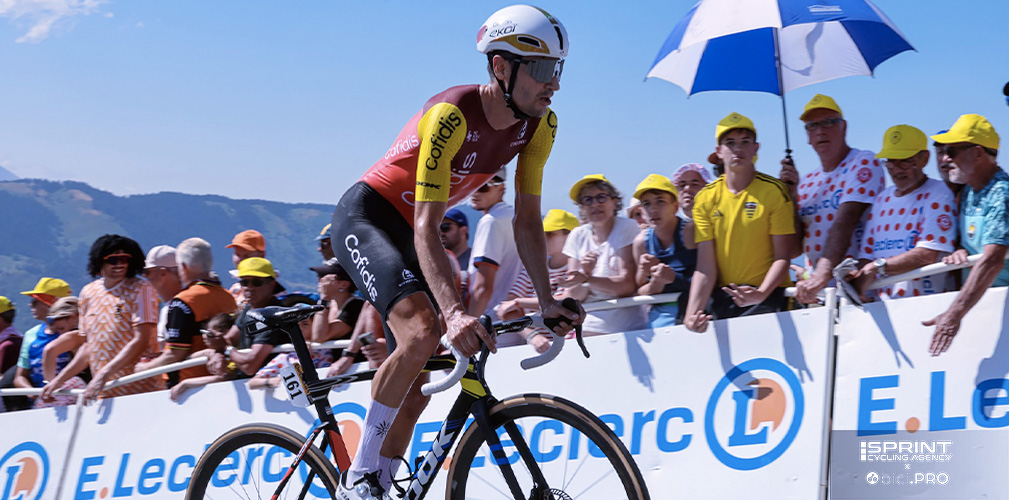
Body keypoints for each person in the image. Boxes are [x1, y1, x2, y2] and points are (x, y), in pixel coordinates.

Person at [328, 6, 579, 497]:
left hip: (411, 234)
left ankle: (381, 482)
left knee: (429, 373)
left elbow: (528, 220)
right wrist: (454, 313)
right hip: (369, 219)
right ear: (502, 67)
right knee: (424, 330)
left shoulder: (540, 126)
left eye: (559, 70)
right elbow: (427, 225)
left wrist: (548, 302)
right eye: (544, 69)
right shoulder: (451, 115)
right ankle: (358, 476)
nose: (553, 84)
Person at [684, 113, 795, 332]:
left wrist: (761, 293)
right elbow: (705, 267)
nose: (738, 149)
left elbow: (783, 257)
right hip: (723, 300)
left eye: (745, 142)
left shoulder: (774, 191)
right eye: (730, 143)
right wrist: (691, 313)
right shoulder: (705, 198)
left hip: (768, 299)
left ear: (756, 148)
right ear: (719, 152)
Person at [780, 94, 884, 304]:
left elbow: (845, 222)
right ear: (807, 136)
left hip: (858, 288)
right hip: (818, 294)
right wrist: (790, 197)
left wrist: (821, 276)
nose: (820, 130)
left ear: (844, 127)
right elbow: (794, 249)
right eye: (812, 126)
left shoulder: (863, 162)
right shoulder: (807, 181)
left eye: (829, 122)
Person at [924, 115, 1007, 356]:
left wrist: (954, 314)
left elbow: (992, 260)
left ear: (979, 153)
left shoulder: (1002, 193)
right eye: (943, 150)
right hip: (982, 306)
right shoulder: (970, 190)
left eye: (953, 150)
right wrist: (959, 248)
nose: (945, 158)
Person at [42, 235, 161, 402]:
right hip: (104, 392)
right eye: (113, 260)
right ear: (99, 262)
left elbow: (141, 339)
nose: (119, 264)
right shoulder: (88, 293)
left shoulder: (142, 289)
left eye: (124, 259)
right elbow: (89, 346)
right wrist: (58, 381)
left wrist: (104, 373)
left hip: (139, 390)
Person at [848, 125, 957, 301]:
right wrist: (856, 278)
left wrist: (878, 267)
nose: (897, 169)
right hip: (882, 308)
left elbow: (929, 253)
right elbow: (866, 256)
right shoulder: (881, 199)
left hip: (924, 305)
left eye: (905, 160)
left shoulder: (939, 193)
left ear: (924, 159)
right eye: (890, 161)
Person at [135, 238, 237, 385]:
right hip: (223, 378)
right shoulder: (228, 297)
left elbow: (175, 353)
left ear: (184, 267)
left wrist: (145, 368)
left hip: (188, 383)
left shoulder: (182, 302)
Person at [560, 174, 645, 335]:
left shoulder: (627, 228)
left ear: (614, 201)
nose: (595, 204)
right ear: (582, 207)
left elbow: (626, 286)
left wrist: (586, 279)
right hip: (587, 327)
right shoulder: (577, 235)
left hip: (626, 327)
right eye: (587, 200)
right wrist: (585, 273)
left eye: (601, 197)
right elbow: (574, 295)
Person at [497, 209, 577, 351]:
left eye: (551, 234)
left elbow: (566, 300)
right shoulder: (533, 268)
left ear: (571, 236)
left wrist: (518, 302)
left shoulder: (577, 268)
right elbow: (506, 309)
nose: (543, 238)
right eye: (542, 234)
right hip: (535, 348)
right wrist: (532, 336)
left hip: (570, 346)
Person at [631, 174, 696, 327]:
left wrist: (674, 278)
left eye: (660, 202)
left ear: (675, 206)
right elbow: (640, 290)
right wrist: (656, 283)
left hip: (696, 311)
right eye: (646, 204)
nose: (653, 209)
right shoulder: (641, 242)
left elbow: (709, 277)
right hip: (660, 317)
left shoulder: (690, 231)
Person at [210, 257, 288, 376]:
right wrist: (217, 352)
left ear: (272, 284)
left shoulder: (273, 315)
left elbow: (250, 366)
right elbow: (229, 339)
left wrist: (226, 350)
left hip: (275, 384)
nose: (249, 287)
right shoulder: (249, 308)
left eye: (257, 282)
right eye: (244, 282)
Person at [467, 168, 523, 317]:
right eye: (470, 184)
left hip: (493, 319)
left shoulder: (490, 221)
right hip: (517, 317)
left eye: (482, 187)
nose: (474, 192)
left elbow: (483, 287)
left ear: (501, 188)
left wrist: (471, 325)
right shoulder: (515, 216)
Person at [14, 297, 86, 409]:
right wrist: (52, 384)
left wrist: (51, 383)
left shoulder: (76, 335)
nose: (61, 335)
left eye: (62, 328)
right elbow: (50, 350)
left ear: (73, 317)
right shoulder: (89, 332)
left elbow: (50, 350)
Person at [310, 258, 365, 343]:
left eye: (325, 277)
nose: (320, 280)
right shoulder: (329, 305)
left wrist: (324, 298)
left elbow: (319, 337)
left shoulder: (356, 307)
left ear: (344, 285)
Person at [143, 245, 182, 348]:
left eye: (147, 272)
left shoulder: (176, 308)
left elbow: (173, 353)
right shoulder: (179, 303)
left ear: (163, 273)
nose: (144, 276)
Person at [671, 163, 714, 250]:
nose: (687, 189)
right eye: (682, 185)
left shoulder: (717, 221)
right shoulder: (669, 226)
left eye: (694, 184)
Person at [226, 229, 267, 304]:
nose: (240, 260)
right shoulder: (235, 289)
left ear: (262, 255)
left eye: (246, 256)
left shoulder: (268, 289)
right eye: (237, 255)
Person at [932, 132, 965, 203]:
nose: (945, 158)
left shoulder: (978, 194)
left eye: (951, 151)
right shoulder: (931, 196)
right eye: (940, 152)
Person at [441, 207, 471, 273]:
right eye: (437, 228)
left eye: (445, 227)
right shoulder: (436, 263)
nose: (441, 233)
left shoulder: (475, 260)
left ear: (463, 230)